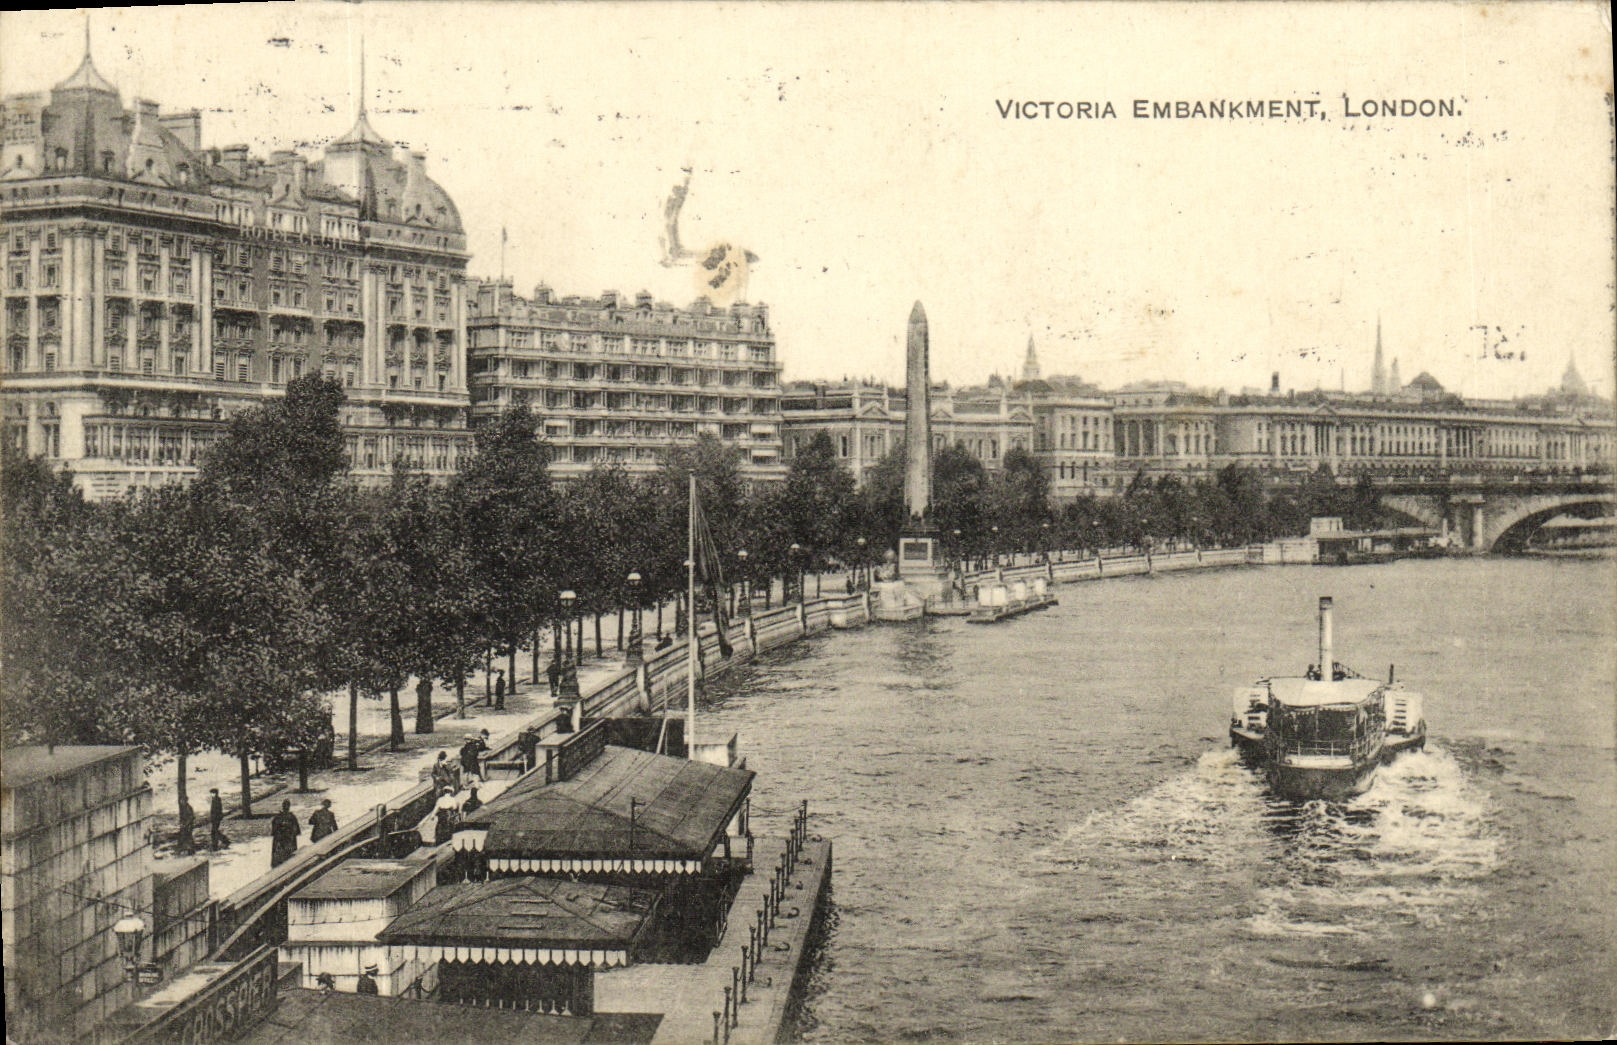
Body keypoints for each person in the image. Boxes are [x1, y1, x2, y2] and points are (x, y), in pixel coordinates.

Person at [269, 798, 301, 867]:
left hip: (285, 840)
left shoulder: (281, 817)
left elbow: (274, 831)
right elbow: (296, 831)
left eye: (287, 806)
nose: (286, 807)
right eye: (285, 806)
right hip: (284, 841)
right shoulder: (289, 817)